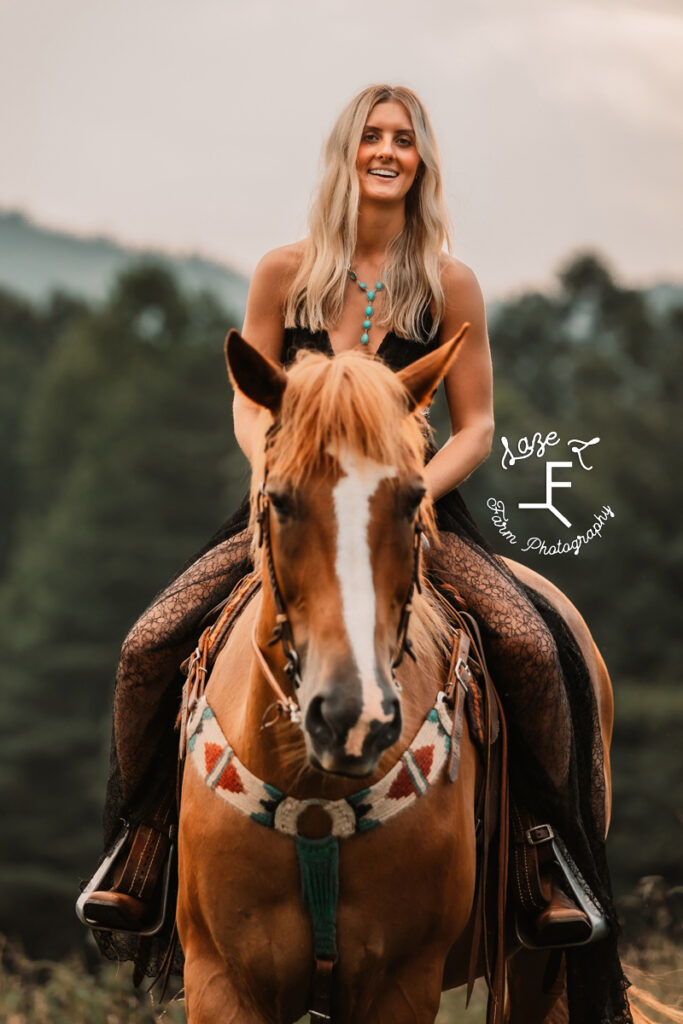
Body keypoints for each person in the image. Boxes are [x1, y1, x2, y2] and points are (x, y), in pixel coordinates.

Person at [82, 85, 632, 1022]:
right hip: (291, 509)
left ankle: (546, 857)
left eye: (403, 139)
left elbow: (480, 424)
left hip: (410, 515)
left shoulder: (447, 284)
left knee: (535, 649)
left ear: (421, 161)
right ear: (346, 153)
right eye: (372, 136)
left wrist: (410, 485)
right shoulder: (282, 273)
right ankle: (140, 846)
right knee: (148, 646)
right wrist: (275, 470)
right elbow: (249, 397)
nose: (387, 150)